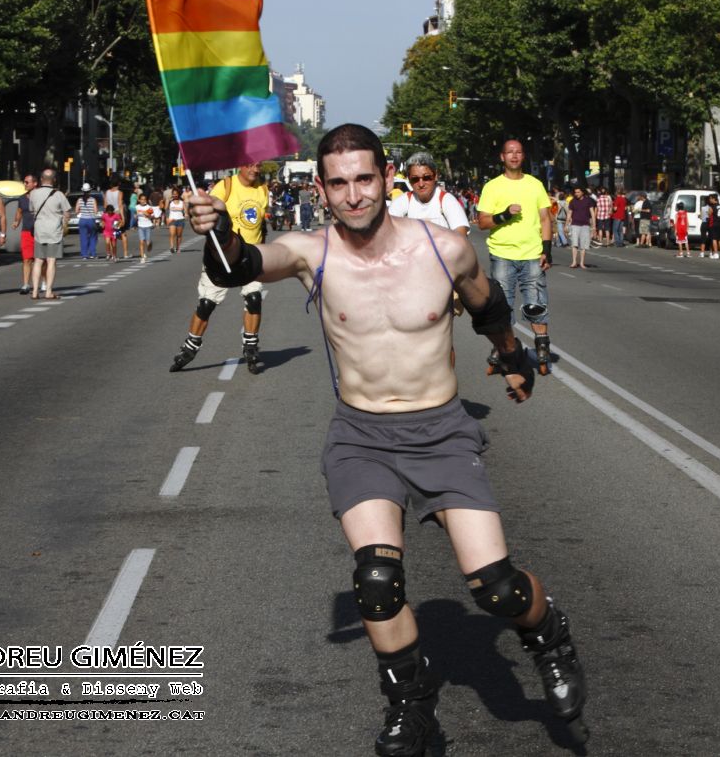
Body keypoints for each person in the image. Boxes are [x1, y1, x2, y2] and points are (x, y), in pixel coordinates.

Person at [186, 124, 587, 755]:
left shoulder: (445, 249)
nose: (353, 195)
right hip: (362, 436)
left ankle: (549, 633)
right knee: (376, 582)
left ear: (388, 177)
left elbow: (487, 308)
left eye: (364, 179)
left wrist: (514, 358)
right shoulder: (309, 252)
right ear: (321, 189)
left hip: (443, 433)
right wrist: (211, 224)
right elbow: (238, 265)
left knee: (497, 589)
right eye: (339, 183)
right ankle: (411, 707)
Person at [169, 161, 271, 374]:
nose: (255, 170)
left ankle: (250, 345)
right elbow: (208, 208)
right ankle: (191, 345)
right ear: (240, 166)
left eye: (258, 166)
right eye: (250, 165)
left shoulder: (262, 189)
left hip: (250, 256)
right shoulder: (226, 186)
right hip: (220, 257)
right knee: (206, 304)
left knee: (254, 299)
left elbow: (261, 220)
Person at [476, 139, 554, 375]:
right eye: (509, 152)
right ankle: (503, 349)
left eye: (518, 152)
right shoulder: (492, 187)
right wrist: (504, 216)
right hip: (502, 254)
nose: (514, 155)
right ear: (502, 157)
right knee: (502, 307)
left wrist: (546, 250)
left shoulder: (535, 184)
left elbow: (545, 219)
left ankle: (542, 349)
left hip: (531, 254)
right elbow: (482, 222)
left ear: (523, 156)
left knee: (536, 304)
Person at [389, 152, 469, 236]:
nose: (421, 184)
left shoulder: (447, 200)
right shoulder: (402, 201)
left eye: (426, 177)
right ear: (409, 179)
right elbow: (387, 232)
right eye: (415, 179)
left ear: (436, 176)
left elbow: (461, 236)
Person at [27, 168, 71, 299]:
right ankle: (48, 292)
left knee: (38, 261)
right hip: (54, 231)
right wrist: (64, 223)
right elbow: (67, 212)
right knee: (51, 261)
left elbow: (31, 210)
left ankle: (35, 291)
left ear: (41, 180)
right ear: (55, 180)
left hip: (39, 230)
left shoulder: (34, 194)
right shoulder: (59, 195)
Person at [11, 174, 40, 294]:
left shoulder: (41, 197)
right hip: (26, 232)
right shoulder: (22, 198)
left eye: (27, 182)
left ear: (35, 183)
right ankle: (26, 284)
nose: (25, 184)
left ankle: (43, 282)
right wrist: (16, 221)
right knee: (27, 259)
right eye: (24, 182)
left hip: (40, 232)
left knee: (40, 259)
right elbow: (19, 211)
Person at [567, 184, 596, 268]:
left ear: (582, 192)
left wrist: (594, 226)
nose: (576, 194)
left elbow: (592, 213)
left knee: (583, 245)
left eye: (578, 192)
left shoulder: (588, 201)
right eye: (575, 192)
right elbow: (569, 213)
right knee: (574, 244)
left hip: (585, 225)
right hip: (575, 224)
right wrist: (566, 224)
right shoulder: (572, 201)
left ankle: (582, 263)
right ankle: (574, 262)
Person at [75, 186, 101, 260]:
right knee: (93, 237)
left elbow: (76, 211)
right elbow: (95, 211)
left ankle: (84, 255)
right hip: (91, 219)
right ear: (89, 191)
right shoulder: (93, 200)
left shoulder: (79, 200)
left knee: (83, 238)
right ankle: (92, 253)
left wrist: (81, 211)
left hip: (82, 220)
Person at [104, 179, 128, 259]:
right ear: (118, 184)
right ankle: (125, 253)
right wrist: (123, 218)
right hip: (116, 215)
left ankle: (111, 254)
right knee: (122, 234)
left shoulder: (107, 192)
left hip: (109, 215)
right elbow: (120, 205)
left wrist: (106, 216)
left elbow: (105, 205)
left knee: (111, 234)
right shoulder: (120, 193)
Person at [134, 192, 155, 263]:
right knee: (141, 242)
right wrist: (135, 216)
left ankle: (150, 244)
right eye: (141, 199)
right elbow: (135, 215)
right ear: (139, 200)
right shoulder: (137, 207)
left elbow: (153, 216)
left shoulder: (149, 207)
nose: (143, 201)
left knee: (148, 243)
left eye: (144, 199)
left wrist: (148, 215)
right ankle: (142, 257)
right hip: (140, 226)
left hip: (148, 226)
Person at [167, 188, 186, 253]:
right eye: (173, 194)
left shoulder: (182, 202)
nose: (174, 195)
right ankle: (172, 247)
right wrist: (167, 218)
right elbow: (166, 210)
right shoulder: (170, 202)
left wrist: (186, 214)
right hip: (172, 219)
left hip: (180, 220)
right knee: (172, 234)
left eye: (176, 194)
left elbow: (185, 211)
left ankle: (178, 247)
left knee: (179, 235)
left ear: (178, 194)